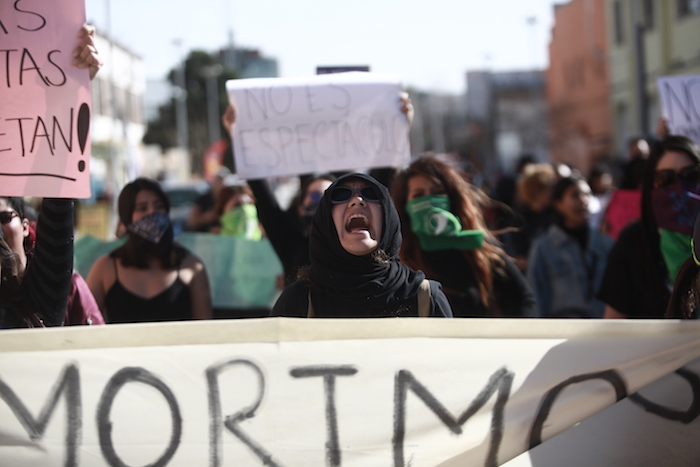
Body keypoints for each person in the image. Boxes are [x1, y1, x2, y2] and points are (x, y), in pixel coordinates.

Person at [0, 25, 102, 329]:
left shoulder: (41, 300)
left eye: (2, 216)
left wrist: (67, 97)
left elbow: (57, 191)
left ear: (25, 223)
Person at [271, 173, 453, 318]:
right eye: (340, 195)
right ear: (326, 220)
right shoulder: (298, 301)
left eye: (371, 194)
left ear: (388, 217)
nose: (357, 200)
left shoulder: (426, 299)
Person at [391, 156, 536, 317]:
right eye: (419, 195)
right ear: (404, 206)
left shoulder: (478, 246)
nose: (429, 201)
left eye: (437, 192)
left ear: (452, 198)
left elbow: (523, 298)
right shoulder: (397, 260)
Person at [599, 135, 700, 318]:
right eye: (665, 178)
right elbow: (614, 322)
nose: (679, 187)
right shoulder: (632, 242)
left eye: (690, 174)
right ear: (651, 185)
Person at [86, 178, 213, 323]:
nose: (153, 213)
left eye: (159, 207)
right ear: (127, 217)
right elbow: (86, 326)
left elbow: (205, 332)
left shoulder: (191, 266)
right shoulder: (105, 268)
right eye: (142, 208)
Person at [527, 176, 614, 318]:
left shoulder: (605, 244)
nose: (583, 201)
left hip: (603, 330)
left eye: (587, 194)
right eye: (575, 195)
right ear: (559, 204)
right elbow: (535, 297)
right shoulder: (543, 248)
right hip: (563, 331)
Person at [504, 163, 557, 271]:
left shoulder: (555, 213)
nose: (554, 192)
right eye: (550, 188)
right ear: (536, 191)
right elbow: (519, 259)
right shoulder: (519, 220)